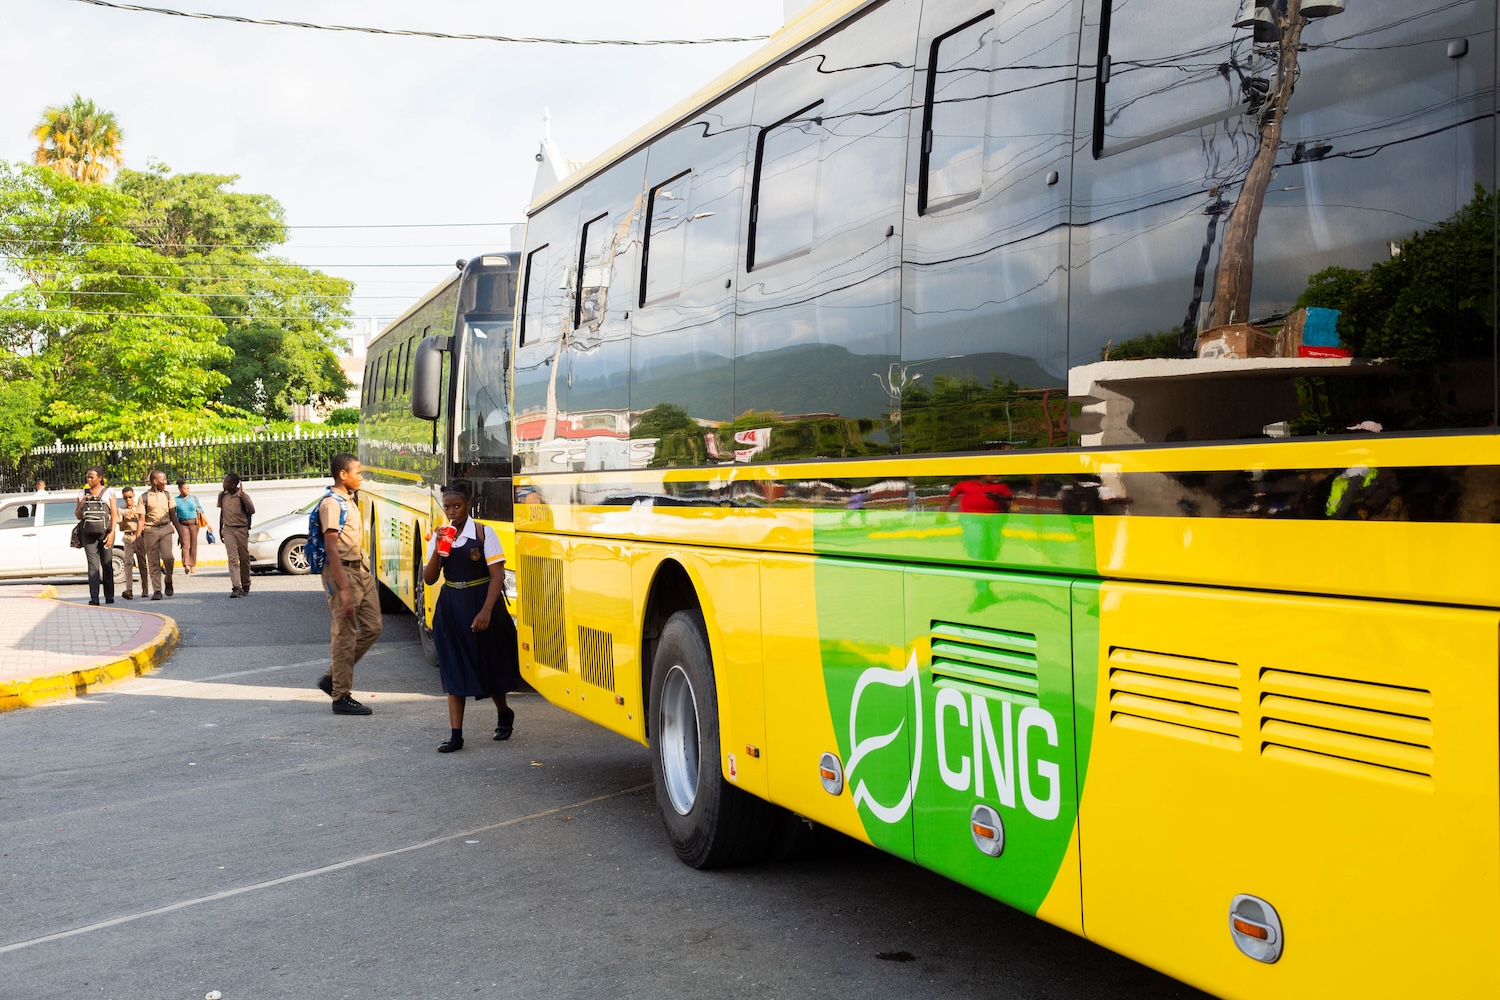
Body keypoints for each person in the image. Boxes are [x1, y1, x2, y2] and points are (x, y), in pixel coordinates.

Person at [421, 483, 518, 752]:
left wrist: (487, 610)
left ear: (468, 505)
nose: (451, 511)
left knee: (490, 664)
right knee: (453, 668)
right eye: (447, 506)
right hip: (451, 605)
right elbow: (429, 580)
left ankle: (503, 712)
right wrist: (439, 548)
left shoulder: (484, 533)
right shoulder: (441, 536)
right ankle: (456, 735)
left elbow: (497, 574)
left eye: (457, 506)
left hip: (481, 602)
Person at [314, 453, 382, 716]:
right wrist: (343, 589)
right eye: (358, 473)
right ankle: (340, 696)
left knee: (373, 626)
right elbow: (331, 546)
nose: (361, 477)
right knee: (345, 634)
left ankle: (333, 677)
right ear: (343, 475)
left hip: (359, 570)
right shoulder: (331, 504)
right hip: (341, 572)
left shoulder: (349, 500)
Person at [74, 466, 117, 606]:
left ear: (100, 478)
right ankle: (94, 598)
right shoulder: (82, 493)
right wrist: (82, 503)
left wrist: (112, 532)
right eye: (88, 477)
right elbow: (78, 515)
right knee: (93, 566)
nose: (89, 479)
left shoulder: (108, 492)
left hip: (105, 532)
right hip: (88, 534)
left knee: (107, 564)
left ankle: (109, 596)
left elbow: (114, 514)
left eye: (92, 477)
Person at [140, 470, 179, 600]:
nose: (165, 482)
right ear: (155, 481)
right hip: (150, 530)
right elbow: (141, 519)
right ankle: (157, 590)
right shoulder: (144, 497)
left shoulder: (167, 495)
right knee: (153, 561)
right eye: (163, 479)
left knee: (168, 557)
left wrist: (181, 534)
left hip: (165, 528)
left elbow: (173, 515)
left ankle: (168, 579)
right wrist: (137, 538)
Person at [217, 473, 256, 598]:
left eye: (226, 482)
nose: (224, 484)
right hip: (228, 529)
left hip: (241, 529)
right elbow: (222, 512)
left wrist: (242, 496)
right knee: (232, 558)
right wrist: (220, 528)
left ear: (233, 485)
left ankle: (246, 583)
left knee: (244, 558)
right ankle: (236, 587)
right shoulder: (222, 495)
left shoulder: (243, 496)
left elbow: (252, 510)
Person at [118, 485, 147, 600]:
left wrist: (137, 516)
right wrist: (126, 519)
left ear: (134, 496)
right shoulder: (121, 509)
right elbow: (121, 528)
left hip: (139, 536)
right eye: (126, 498)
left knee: (142, 562)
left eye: (130, 497)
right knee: (128, 562)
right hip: (128, 536)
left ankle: (145, 588)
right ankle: (129, 589)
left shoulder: (139, 507)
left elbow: (145, 522)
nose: (128, 500)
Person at [173, 480, 205, 574]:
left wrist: (208, 523)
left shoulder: (193, 498)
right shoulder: (176, 500)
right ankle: (186, 564)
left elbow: (200, 509)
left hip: (194, 523)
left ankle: (193, 565)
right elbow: (173, 513)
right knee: (185, 544)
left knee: (194, 544)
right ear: (180, 489)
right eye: (185, 488)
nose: (187, 490)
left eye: (188, 488)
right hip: (182, 524)